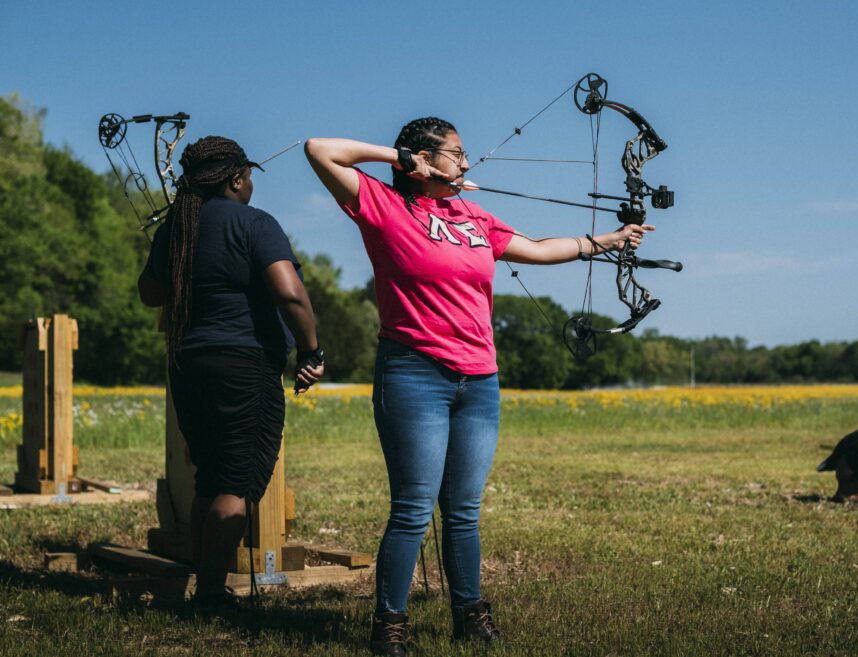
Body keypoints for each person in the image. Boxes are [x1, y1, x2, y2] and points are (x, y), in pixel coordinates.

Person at [305, 117, 651, 656]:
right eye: (456, 153)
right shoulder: (384, 206)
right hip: (414, 373)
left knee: (463, 510)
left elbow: (537, 248)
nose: (467, 163)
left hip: (480, 379)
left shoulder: (472, 217)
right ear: (423, 158)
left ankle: (469, 615)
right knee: (414, 509)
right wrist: (399, 158)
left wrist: (604, 242)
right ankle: (389, 628)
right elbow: (320, 149)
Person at [138, 135, 325, 608]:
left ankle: (204, 583)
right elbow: (290, 294)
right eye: (249, 177)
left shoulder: (175, 229)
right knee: (236, 483)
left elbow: (150, 294)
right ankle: (210, 595)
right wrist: (311, 351)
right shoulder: (256, 223)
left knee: (209, 475)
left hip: (187, 362)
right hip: (243, 365)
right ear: (237, 179)